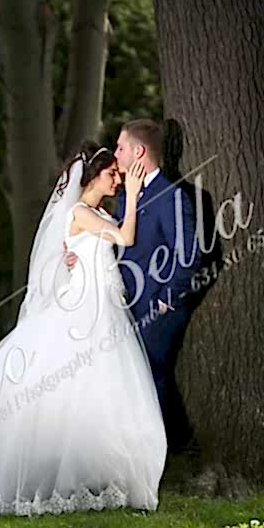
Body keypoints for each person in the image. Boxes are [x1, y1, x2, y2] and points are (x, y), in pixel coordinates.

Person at [0, 142, 167, 517]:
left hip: (104, 308)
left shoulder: (97, 214)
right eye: (111, 174)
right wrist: (133, 195)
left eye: (119, 176)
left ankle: (95, 472)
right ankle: (57, 474)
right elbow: (125, 238)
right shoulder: (80, 212)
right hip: (85, 309)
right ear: (91, 177)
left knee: (103, 390)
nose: (117, 181)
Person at [66, 120, 201, 450]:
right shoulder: (126, 193)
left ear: (138, 151)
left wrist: (166, 299)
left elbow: (188, 257)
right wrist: (80, 255)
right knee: (124, 380)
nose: (116, 154)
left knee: (149, 376)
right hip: (122, 304)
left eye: (121, 147)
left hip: (158, 305)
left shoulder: (172, 196)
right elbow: (117, 243)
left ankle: (168, 452)